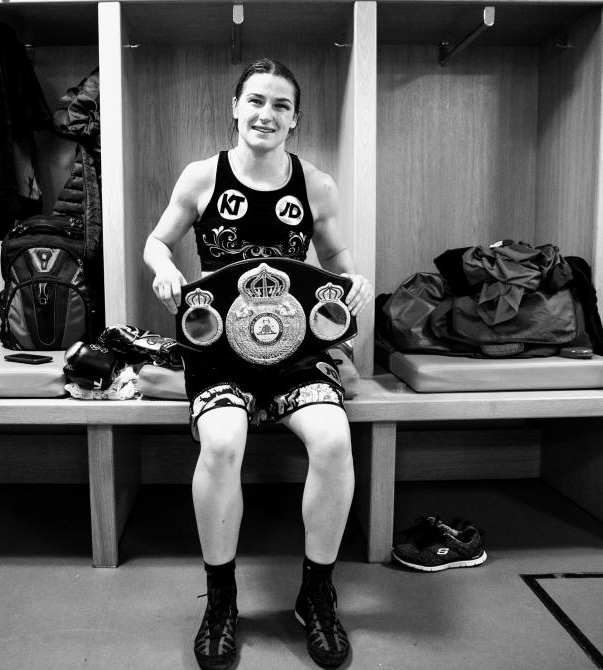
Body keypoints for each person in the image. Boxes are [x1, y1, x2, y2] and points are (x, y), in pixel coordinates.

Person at [143, 57, 373, 670]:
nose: (266, 114)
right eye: (255, 101)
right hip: (219, 351)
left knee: (332, 439)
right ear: (235, 107)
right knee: (221, 443)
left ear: (295, 120)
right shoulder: (201, 177)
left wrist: (356, 280)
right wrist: (165, 267)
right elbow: (157, 241)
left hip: (299, 353)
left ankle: (316, 593)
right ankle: (221, 602)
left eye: (280, 105)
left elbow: (340, 258)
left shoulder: (316, 184)